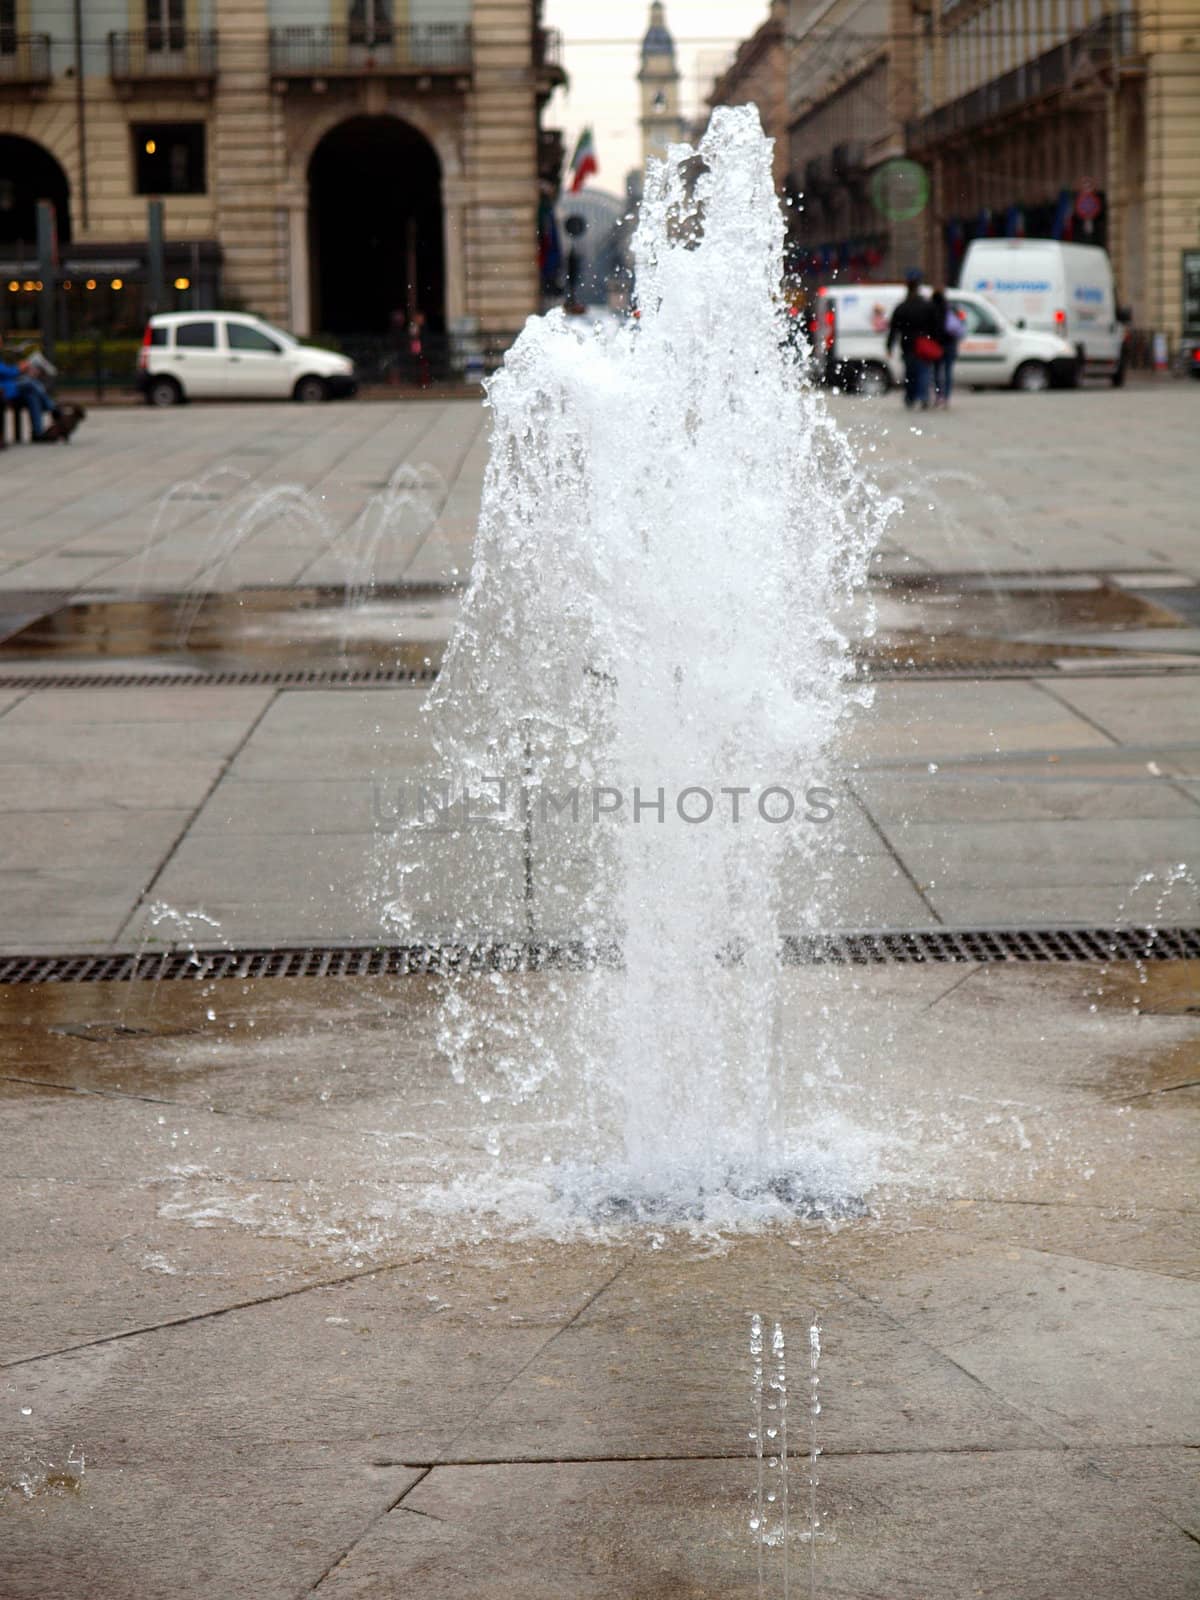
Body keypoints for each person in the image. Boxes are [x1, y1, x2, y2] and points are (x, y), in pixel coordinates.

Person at [886, 271, 940, 410]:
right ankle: (923, 397)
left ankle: (910, 397)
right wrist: (935, 341)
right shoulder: (926, 306)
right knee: (923, 372)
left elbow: (894, 328)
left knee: (910, 373)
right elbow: (935, 325)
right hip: (923, 344)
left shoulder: (902, 307)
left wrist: (889, 346)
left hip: (908, 344)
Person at [931, 288, 965, 408]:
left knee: (936, 372)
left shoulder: (932, 310)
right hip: (950, 344)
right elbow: (961, 324)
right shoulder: (951, 309)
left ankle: (938, 396)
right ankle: (946, 397)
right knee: (948, 371)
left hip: (936, 344)